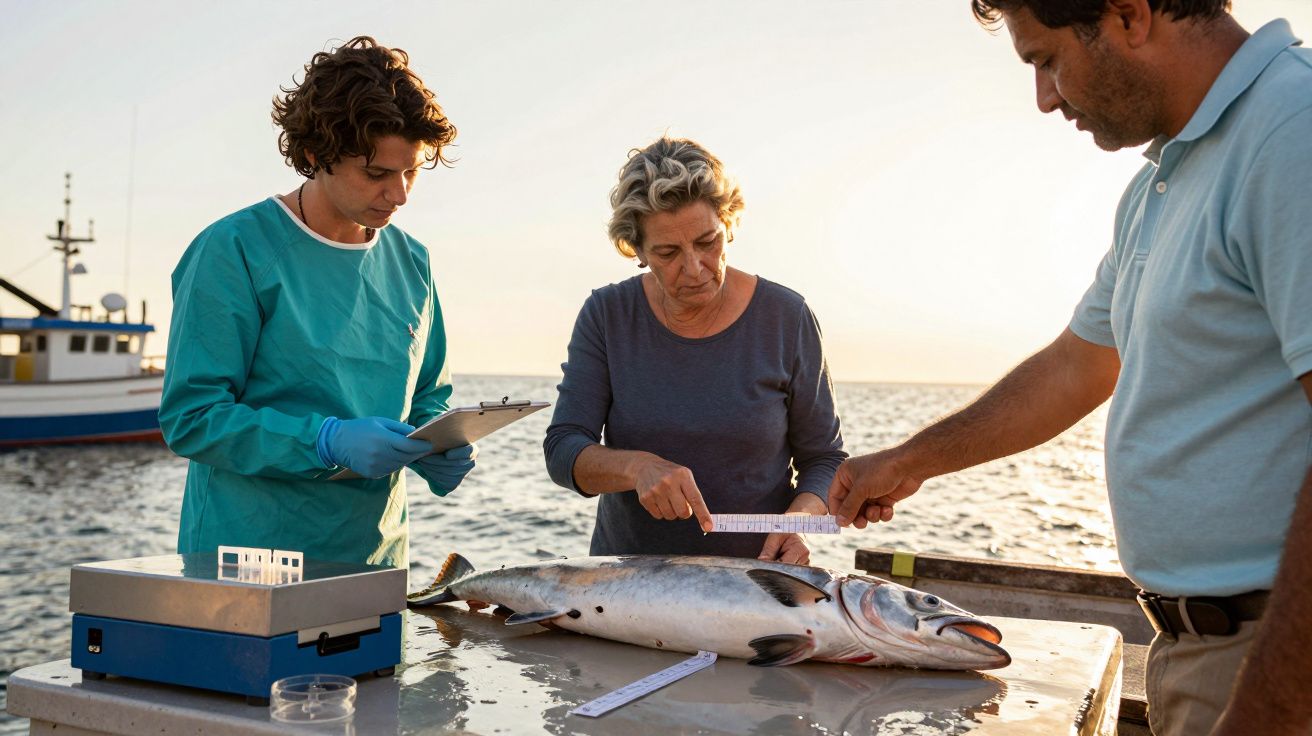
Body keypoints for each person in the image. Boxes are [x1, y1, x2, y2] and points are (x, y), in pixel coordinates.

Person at [829, 2, 1312, 734]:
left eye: (1046, 60)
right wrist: (906, 461)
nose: (1045, 97)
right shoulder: (1162, 183)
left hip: (1275, 659)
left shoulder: (1291, 131)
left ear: (1128, 15)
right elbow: (1078, 366)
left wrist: (1269, 708)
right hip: (1194, 651)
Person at [159, 37, 476, 569]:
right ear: (315, 155)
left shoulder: (411, 260)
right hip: (246, 557)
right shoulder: (235, 250)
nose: (399, 194)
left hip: (375, 559)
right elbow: (193, 418)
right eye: (376, 174)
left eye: (411, 172)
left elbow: (426, 396)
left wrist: (439, 442)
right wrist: (325, 440)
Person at [543, 137, 846, 564]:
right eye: (667, 252)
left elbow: (825, 459)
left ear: (729, 223)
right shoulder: (607, 315)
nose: (694, 268)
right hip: (625, 586)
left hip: (759, 581)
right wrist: (636, 468)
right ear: (639, 252)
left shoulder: (787, 317)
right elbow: (563, 449)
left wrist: (797, 522)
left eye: (708, 242)